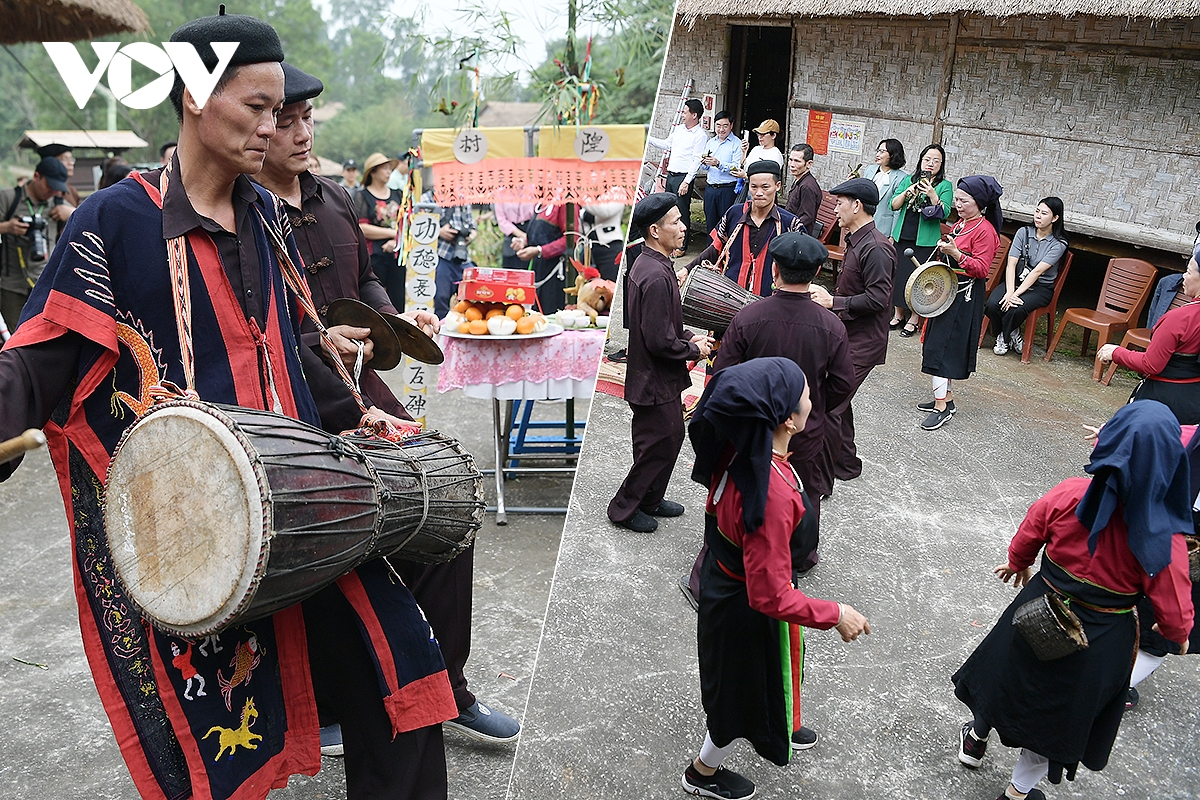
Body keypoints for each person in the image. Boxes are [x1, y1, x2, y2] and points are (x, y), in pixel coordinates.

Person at [0, 14, 456, 800]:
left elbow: (276, 352)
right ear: (192, 96)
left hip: (304, 508)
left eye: (280, 110)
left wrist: (352, 418)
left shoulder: (267, 217)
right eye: (256, 107)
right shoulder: (115, 222)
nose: (273, 126)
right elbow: (42, 362)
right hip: (200, 531)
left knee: (405, 684)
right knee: (222, 758)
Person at [255, 63, 520, 756]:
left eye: (307, 118)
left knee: (447, 514)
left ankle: (446, 686)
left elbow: (364, 278)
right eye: (286, 120)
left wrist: (395, 320)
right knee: (323, 553)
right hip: (289, 408)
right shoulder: (241, 216)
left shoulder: (337, 200)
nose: (302, 132)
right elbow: (260, 330)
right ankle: (338, 705)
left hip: (366, 394)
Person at [952, 401, 1193, 800]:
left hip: (1039, 606)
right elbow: (1173, 599)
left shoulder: (1070, 492)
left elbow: (1033, 525)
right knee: (1056, 717)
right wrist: (1175, 631)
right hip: (1100, 637)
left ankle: (976, 739)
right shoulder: (1164, 536)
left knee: (1006, 680)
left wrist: (1018, 562)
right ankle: (1016, 793)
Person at [682, 357, 870, 800]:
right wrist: (835, 613)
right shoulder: (773, 494)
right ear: (788, 418)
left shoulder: (740, 448)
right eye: (805, 394)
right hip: (744, 606)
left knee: (769, 679)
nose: (811, 399)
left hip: (728, 584)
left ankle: (785, 720)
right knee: (739, 694)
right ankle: (702, 772)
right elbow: (770, 595)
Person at [683, 232, 854, 606]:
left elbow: (725, 374)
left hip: (751, 430)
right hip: (800, 432)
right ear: (817, 273)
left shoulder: (750, 315)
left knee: (739, 491)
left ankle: (709, 574)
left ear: (774, 270)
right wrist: (814, 409)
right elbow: (843, 384)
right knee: (801, 491)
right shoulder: (832, 326)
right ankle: (800, 555)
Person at [607, 193, 713, 533]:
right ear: (655, 230)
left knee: (669, 437)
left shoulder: (655, 263)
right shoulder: (653, 274)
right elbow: (658, 340)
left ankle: (651, 499)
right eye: (676, 223)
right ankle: (623, 508)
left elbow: (666, 322)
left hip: (658, 376)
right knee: (658, 443)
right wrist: (695, 351)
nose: (683, 228)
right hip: (651, 378)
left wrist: (687, 336)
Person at [810, 178, 895, 485]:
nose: (835, 208)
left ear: (857, 206)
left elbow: (879, 299)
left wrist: (834, 301)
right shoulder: (856, 240)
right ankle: (845, 464)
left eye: (840, 202)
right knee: (838, 401)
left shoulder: (877, 248)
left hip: (864, 342)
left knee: (829, 405)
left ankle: (821, 480)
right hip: (847, 335)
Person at [916, 176, 1002, 431]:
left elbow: (982, 269)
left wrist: (956, 254)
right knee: (938, 346)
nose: (959, 205)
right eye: (957, 200)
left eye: (964, 201)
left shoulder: (985, 231)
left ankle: (941, 408)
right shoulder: (963, 224)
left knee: (943, 351)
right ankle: (946, 400)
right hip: (949, 290)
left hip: (964, 295)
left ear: (980, 203)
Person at [1096, 255, 1200, 425]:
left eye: (1188, 272)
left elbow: (1151, 364)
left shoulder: (1179, 318)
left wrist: (1116, 352)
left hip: (1163, 402)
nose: (1183, 276)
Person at [685, 160, 804, 299]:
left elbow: (803, 265)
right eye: (754, 187)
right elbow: (715, 249)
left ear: (777, 186)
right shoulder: (734, 213)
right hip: (730, 297)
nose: (759, 193)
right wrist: (687, 270)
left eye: (765, 187)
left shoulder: (791, 223)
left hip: (771, 301)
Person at [986, 197, 1067, 357]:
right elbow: (1011, 264)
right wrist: (1010, 292)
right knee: (992, 304)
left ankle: (1003, 337)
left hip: (1040, 287)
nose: (1038, 216)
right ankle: (1013, 332)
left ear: (1055, 218)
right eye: (1037, 211)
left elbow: (1037, 272)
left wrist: (1015, 295)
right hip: (1016, 281)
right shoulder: (1023, 232)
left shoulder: (1059, 243)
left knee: (1016, 309)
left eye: (1044, 213)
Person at [0, 156, 70, 332]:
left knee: (44, 336)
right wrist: (7, 227)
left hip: (45, 283)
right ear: (37, 176)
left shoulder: (59, 205)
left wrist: (72, 213)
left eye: (57, 188)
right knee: (16, 338)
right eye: (49, 185)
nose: (52, 191)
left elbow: (88, 224)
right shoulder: (8, 198)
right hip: (12, 284)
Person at [889, 144, 953, 336]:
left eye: (936, 161)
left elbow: (946, 212)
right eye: (927, 159)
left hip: (925, 241)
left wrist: (933, 195)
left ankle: (914, 319)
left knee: (919, 279)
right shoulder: (909, 180)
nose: (931, 164)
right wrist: (907, 192)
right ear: (920, 160)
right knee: (899, 276)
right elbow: (894, 205)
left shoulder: (944, 185)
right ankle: (898, 314)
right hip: (903, 235)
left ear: (941, 164)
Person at [647, 98, 709, 250]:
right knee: (667, 209)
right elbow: (667, 144)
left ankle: (682, 246)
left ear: (694, 115)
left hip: (683, 178)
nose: (682, 114)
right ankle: (667, 241)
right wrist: (647, 138)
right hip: (671, 175)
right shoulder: (680, 129)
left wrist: (687, 181)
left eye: (685, 112)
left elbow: (696, 160)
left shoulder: (700, 135)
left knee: (681, 212)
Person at [354, 152, 406, 310]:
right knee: (376, 300)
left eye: (390, 168)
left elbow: (407, 225)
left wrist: (395, 240)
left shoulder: (398, 194)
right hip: (373, 256)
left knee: (397, 298)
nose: (388, 172)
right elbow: (362, 228)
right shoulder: (362, 196)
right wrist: (392, 233)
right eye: (384, 168)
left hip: (397, 255)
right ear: (373, 172)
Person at [511, 203, 575, 313]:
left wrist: (540, 250)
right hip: (539, 269)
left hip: (557, 272)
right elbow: (538, 235)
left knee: (552, 312)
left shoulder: (565, 203)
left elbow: (571, 238)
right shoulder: (540, 203)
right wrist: (524, 242)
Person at [697, 110, 741, 233]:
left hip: (727, 189)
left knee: (726, 224)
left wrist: (719, 164)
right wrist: (704, 163)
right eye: (718, 125)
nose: (721, 129)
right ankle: (711, 250)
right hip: (710, 189)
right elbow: (706, 168)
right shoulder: (711, 143)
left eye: (725, 126)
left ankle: (725, 251)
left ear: (731, 125)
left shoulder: (737, 144)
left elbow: (736, 168)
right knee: (711, 223)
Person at [860, 138, 907, 243]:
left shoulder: (902, 178)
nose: (878, 154)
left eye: (882, 151)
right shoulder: (870, 170)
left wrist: (892, 235)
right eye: (878, 151)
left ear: (893, 154)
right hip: (863, 225)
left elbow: (898, 210)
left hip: (883, 229)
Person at [580, 198, 625, 282]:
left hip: (610, 248)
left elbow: (605, 211)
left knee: (610, 285)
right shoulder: (590, 195)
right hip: (589, 250)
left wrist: (581, 197)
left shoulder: (617, 192)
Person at [785, 144, 821, 233]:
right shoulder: (799, 180)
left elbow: (807, 217)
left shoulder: (807, 186)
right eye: (791, 160)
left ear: (809, 164)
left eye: (797, 161)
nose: (792, 164)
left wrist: (790, 230)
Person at [35, 143, 82, 210]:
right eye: (64, 159)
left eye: (71, 159)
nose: (71, 163)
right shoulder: (37, 190)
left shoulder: (72, 191)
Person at [495, 200, 537, 268]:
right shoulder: (501, 193)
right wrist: (523, 236)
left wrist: (528, 237)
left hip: (531, 230)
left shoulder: (533, 191)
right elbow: (502, 220)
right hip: (510, 234)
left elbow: (538, 213)